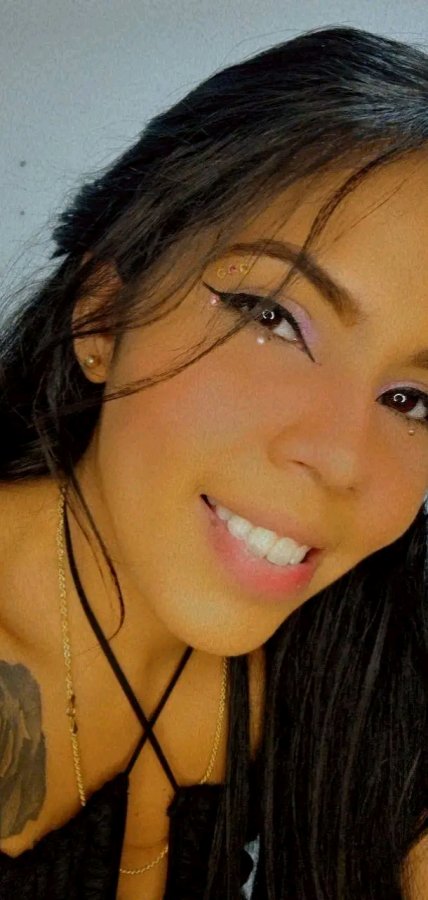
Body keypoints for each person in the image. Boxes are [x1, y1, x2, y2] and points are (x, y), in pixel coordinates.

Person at [0, 22, 427, 900]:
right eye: (274, 318)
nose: (339, 457)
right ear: (104, 314)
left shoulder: (365, 667)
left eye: (413, 401)